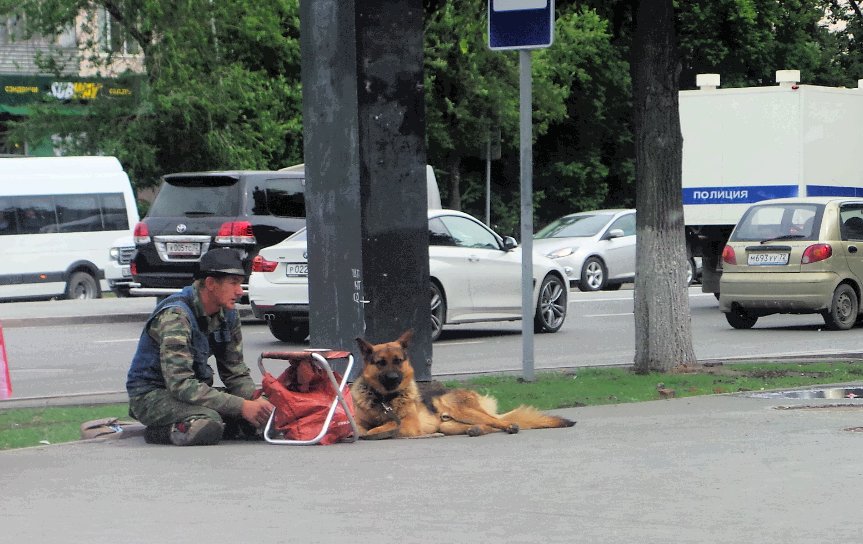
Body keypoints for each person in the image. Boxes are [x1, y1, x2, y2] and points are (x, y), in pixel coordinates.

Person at [126, 247, 274, 446]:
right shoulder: (176, 316)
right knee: (207, 422)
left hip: (192, 392)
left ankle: (231, 425)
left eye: (240, 283)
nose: (240, 291)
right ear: (211, 283)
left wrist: (256, 401)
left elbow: (235, 373)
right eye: (234, 283)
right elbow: (180, 384)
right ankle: (159, 432)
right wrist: (241, 407)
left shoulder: (228, 314)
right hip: (151, 396)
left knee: (267, 415)